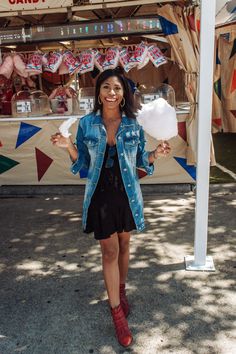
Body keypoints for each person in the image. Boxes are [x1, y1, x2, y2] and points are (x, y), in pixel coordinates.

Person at [50, 69, 171, 347]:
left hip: (127, 193)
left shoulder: (133, 123)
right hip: (100, 194)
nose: (112, 93)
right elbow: (81, 164)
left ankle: (120, 291)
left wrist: (156, 154)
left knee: (125, 246)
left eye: (117, 88)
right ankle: (117, 314)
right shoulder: (87, 123)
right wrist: (68, 145)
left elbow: (143, 160)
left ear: (124, 93)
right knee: (109, 251)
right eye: (106, 88)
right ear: (99, 92)